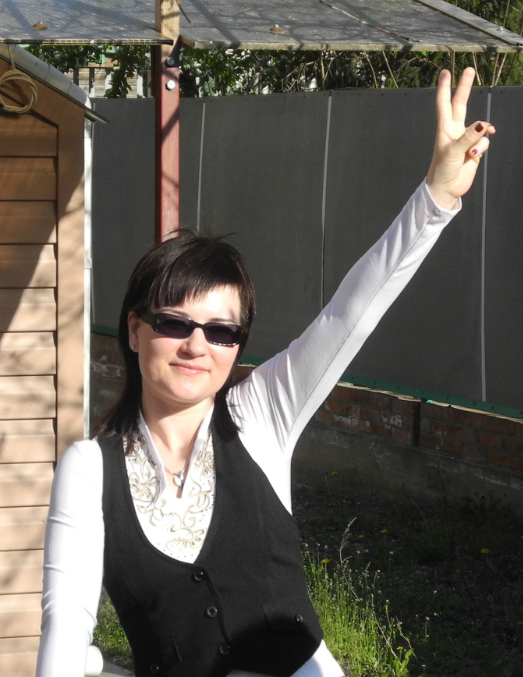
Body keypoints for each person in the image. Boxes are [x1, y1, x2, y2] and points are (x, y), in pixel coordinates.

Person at [36, 67, 494, 677]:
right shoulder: (89, 470)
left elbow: (350, 315)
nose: (197, 345)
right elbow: (64, 632)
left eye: (222, 331)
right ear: (135, 329)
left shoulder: (260, 416)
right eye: (174, 322)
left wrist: (435, 198)